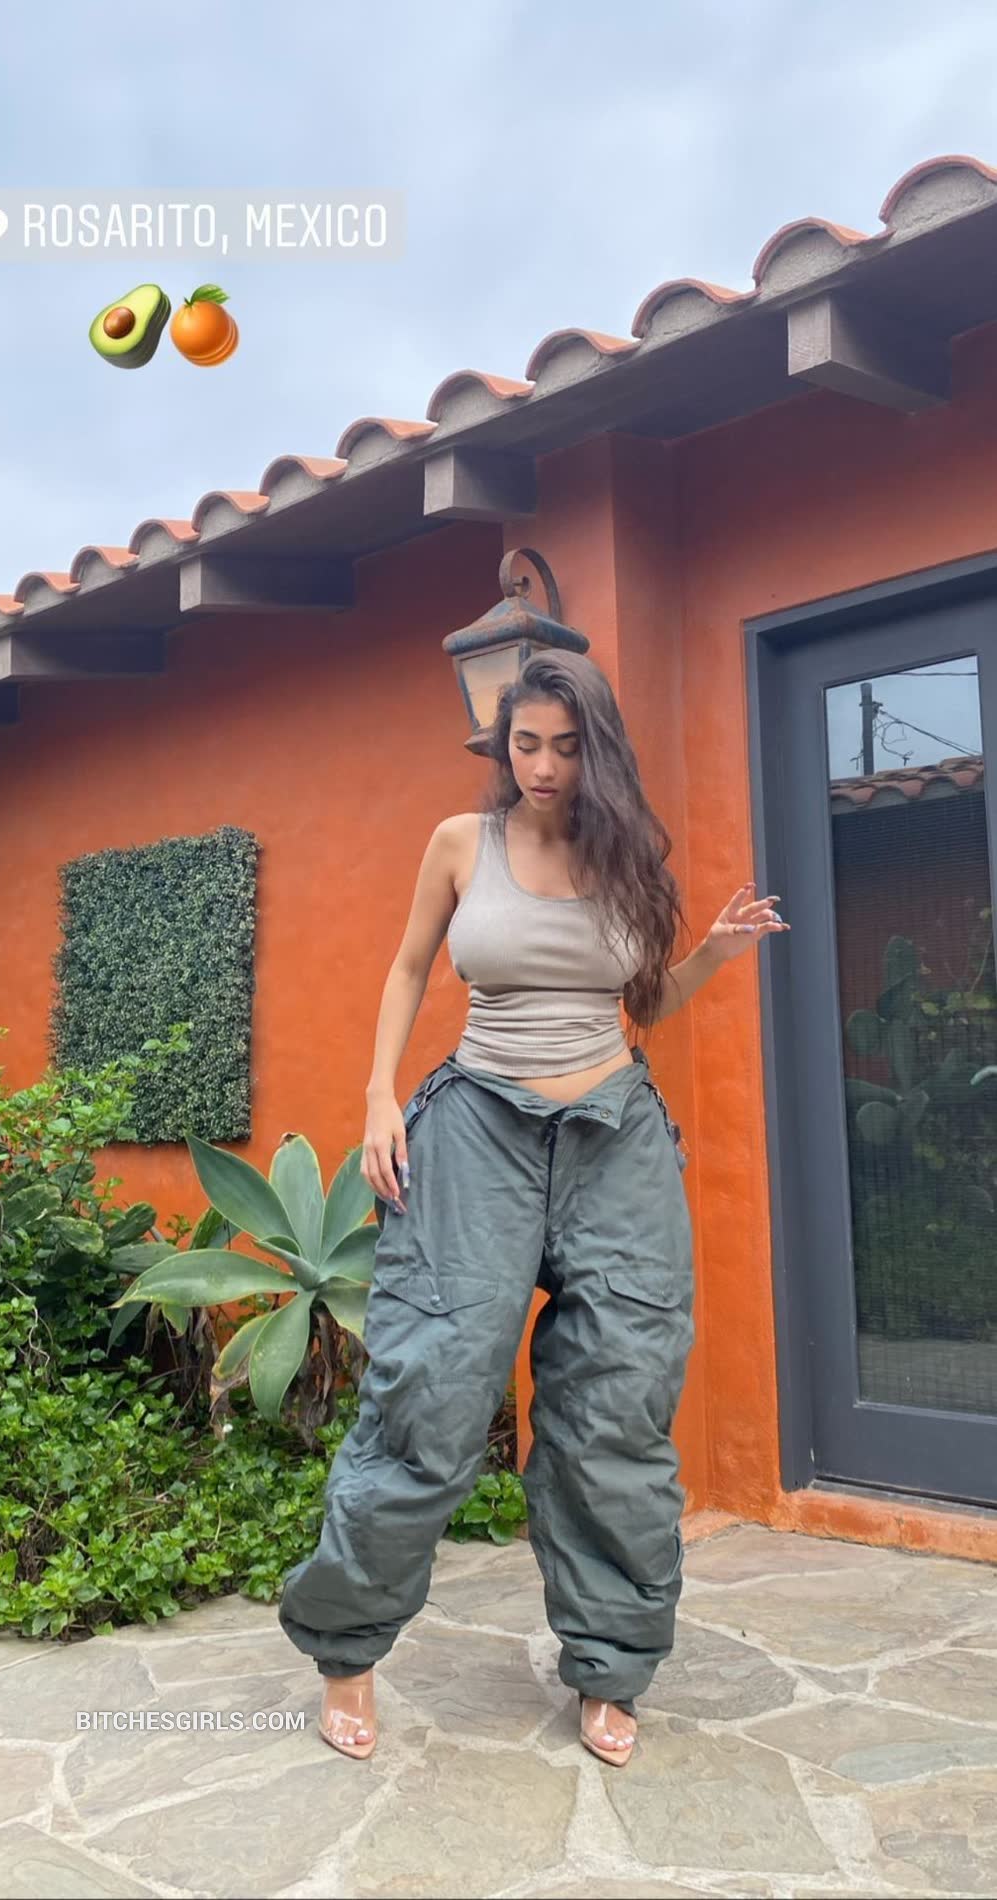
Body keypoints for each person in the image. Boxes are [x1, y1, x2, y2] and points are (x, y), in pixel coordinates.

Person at [278, 649, 788, 1767]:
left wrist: (715, 952)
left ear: (596, 749)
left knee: (618, 1402)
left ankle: (611, 1663)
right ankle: (347, 1650)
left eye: (564, 746)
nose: (544, 766)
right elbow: (409, 969)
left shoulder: (629, 856)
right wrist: (378, 1096)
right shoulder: (462, 843)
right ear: (501, 745)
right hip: (474, 1132)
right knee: (431, 1391)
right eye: (525, 744)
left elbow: (642, 1004)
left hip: (615, 1137)